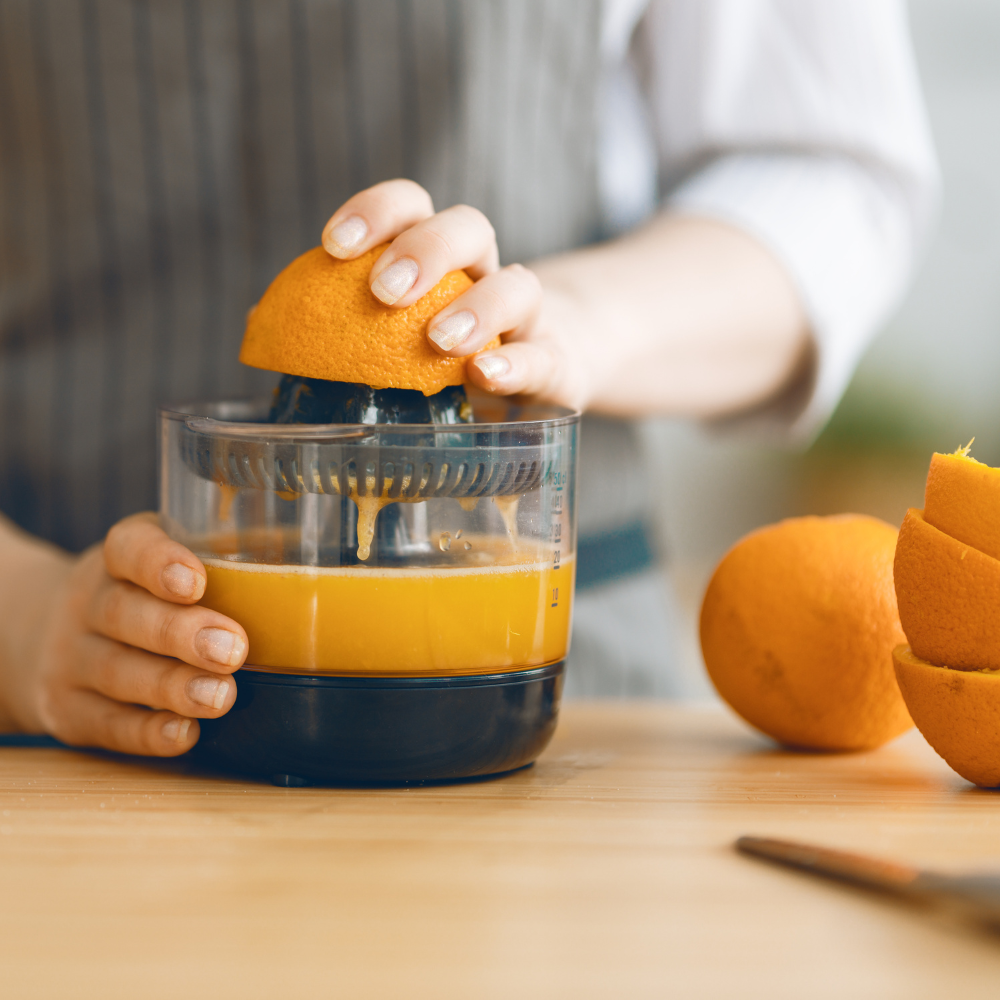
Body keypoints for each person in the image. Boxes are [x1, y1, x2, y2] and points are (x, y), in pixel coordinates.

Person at [0, 0, 937, 754]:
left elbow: (829, 177)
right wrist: (28, 619)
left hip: (557, 697)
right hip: (74, 695)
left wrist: (571, 320)